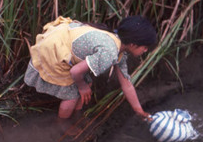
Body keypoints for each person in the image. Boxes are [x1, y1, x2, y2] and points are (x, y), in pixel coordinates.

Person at [24, 15, 156, 122]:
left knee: (87, 83)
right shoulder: (109, 52)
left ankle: (76, 115)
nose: (145, 50)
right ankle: (62, 124)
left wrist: (139, 111)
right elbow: (75, 71)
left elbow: (126, 84)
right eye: (145, 47)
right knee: (72, 95)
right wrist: (82, 86)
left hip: (61, 37)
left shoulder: (116, 43)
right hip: (54, 51)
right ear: (133, 44)